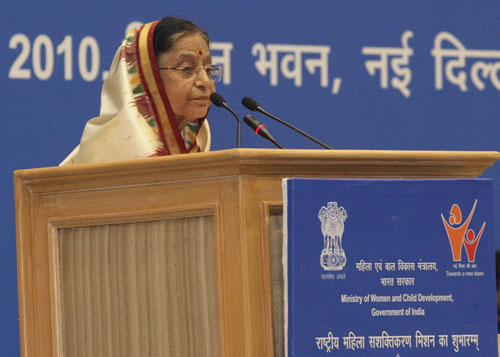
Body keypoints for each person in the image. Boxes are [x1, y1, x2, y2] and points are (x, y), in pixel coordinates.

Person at [61, 17, 221, 165]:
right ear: (149, 77)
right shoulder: (121, 152)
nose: (205, 82)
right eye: (186, 69)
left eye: (208, 69)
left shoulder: (195, 140)